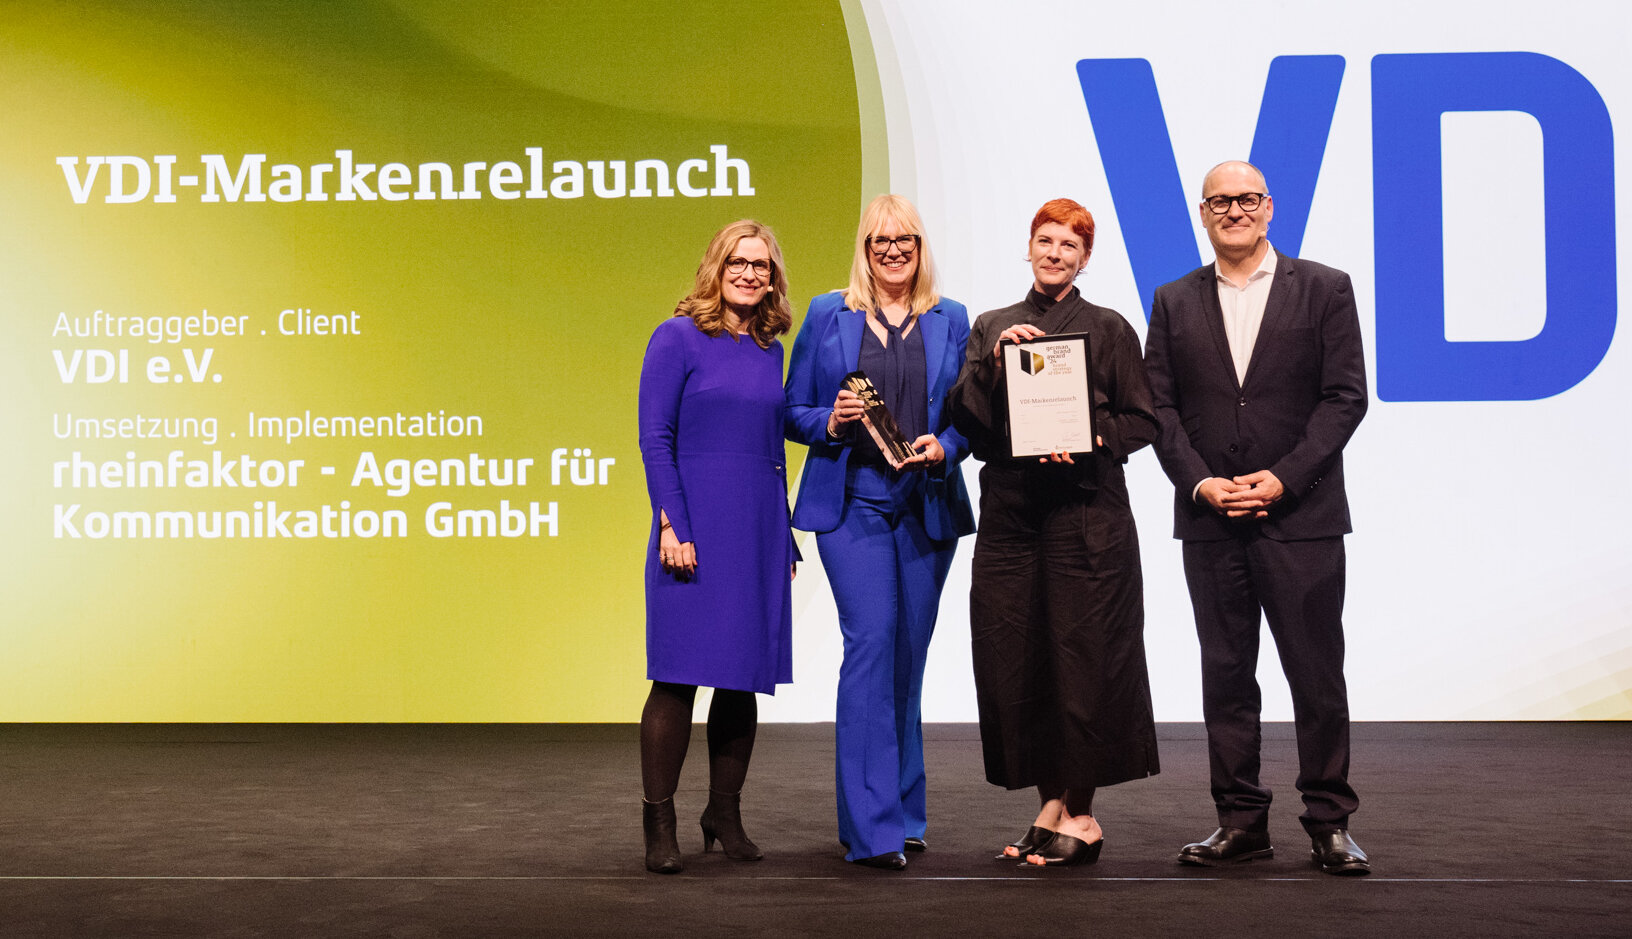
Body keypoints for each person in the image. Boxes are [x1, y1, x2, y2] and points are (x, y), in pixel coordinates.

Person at [1144, 161, 1371, 875]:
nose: (1234, 210)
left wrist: (1284, 477)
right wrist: (1202, 482)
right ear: (1203, 213)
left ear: (1269, 207)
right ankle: (1240, 820)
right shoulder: (1174, 299)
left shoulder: (1326, 287)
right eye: (1221, 201)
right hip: (1212, 521)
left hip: (1301, 518)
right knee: (1227, 675)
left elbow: (1345, 397)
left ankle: (1329, 822)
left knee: (1316, 675)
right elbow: (1160, 408)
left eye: (1246, 198)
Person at [948, 197, 1159, 867]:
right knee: (1022, 658)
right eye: (1046, 240)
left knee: (1085, 659)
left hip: (1086, 512)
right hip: (1012, 514)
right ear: (1029, 246)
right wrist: (991, 363)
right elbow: (969, 424)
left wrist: (1095, 436)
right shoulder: (992, 326)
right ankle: (1050, 803)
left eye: (1070, 245)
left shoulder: (1109, 327)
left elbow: (1143, 421)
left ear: (1085, 258)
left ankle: (1084, 814)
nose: (1056, 253)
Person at [785, 195, 976, 871]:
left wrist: (946, 447)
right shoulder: (826, 313)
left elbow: (969, 415)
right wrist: (832, 421)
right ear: (863, 248)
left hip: (926, 504)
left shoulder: (952, 319)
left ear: (921, 247)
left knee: (907, 660)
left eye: (906, 240)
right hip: (852, 503)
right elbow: (793, 410)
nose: (893, 251)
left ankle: (903, 809)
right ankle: (871, 830)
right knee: (871, 647)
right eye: (880, 240)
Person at [636, 219, 797, 874]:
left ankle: (723, 812)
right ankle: (660, 821)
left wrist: (783, 534)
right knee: (676, 676)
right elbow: (655, 437)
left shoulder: (769, 349)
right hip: (694, 528)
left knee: (740, 679)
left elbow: (771, 452)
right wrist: (673, 524)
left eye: (762, 264)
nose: (751, 272)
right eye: (740, 260)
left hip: (756, 530)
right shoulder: (676, 337)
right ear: (717, 266)